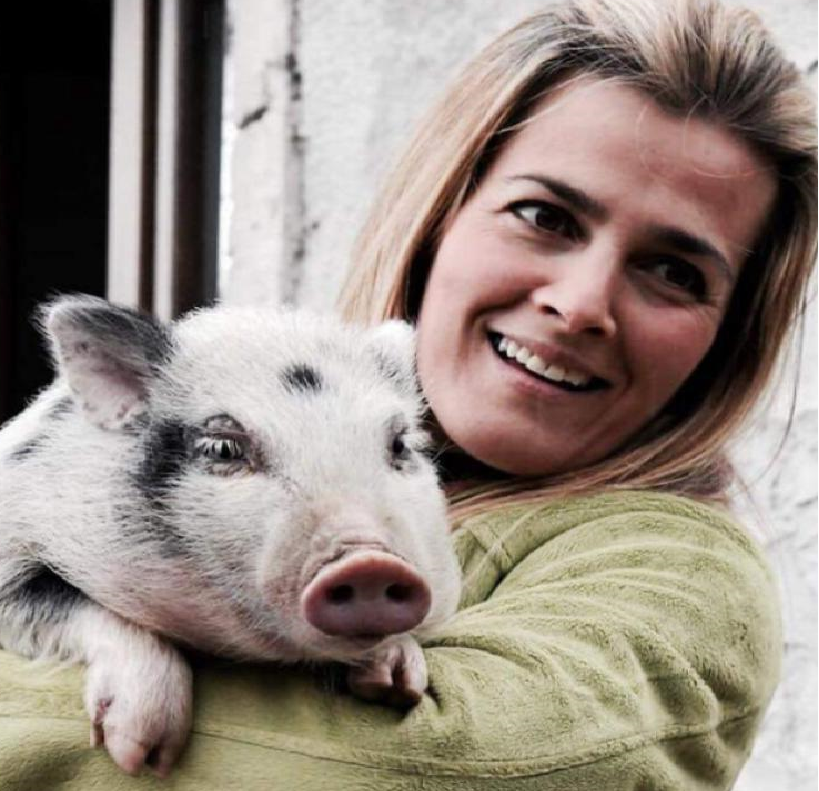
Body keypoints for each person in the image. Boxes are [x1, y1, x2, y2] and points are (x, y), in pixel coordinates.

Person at [0, 0, 814, 788]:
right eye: (544, 215)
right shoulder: (249, 391)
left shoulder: (676, 576)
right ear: (439, 217)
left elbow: (405, 767)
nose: (580, 304)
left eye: (675, 271)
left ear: (725, 337)